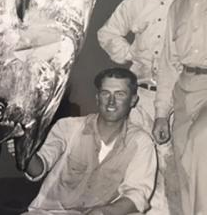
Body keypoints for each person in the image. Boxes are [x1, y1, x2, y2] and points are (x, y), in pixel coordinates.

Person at [97, 0, 187, 214]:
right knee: (142, 164)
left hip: (184, 95)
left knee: (183, 165)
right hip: (144, 96)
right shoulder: (135, 2)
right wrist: (128, 55)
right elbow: (107, 33)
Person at [9, 67, 157, 215]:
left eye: (120, 94)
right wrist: (23, 150)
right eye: (106, 93)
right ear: (97, 97)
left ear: (133, 100)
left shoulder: (141, 142)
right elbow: (38, 170)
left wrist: (103, 212)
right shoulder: (68, 127)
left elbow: (137, 195)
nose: (111, 101)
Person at [153, 0, 207, 215]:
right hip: (185, 89)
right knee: (184, 164)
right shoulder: (178, 6)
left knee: (203, 143)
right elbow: (169, 64)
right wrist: (161, 114)